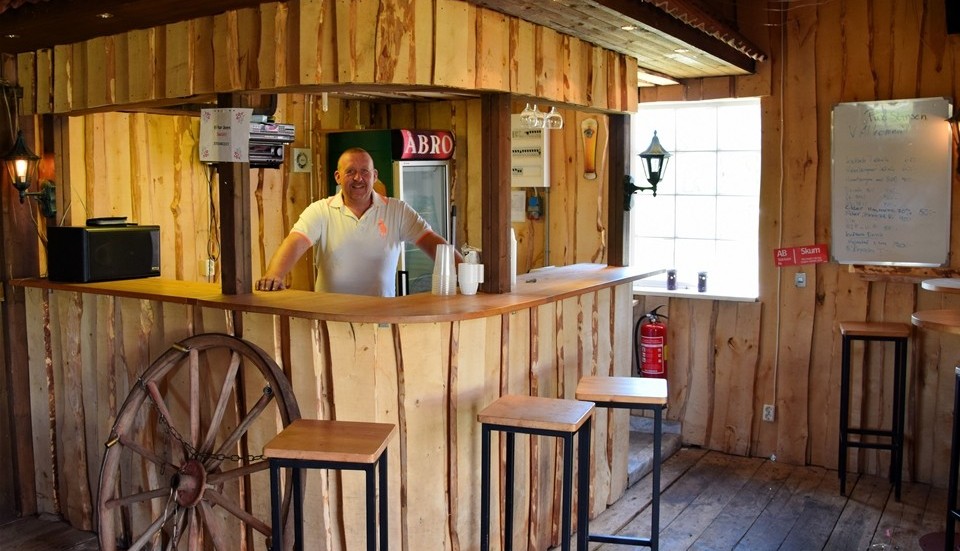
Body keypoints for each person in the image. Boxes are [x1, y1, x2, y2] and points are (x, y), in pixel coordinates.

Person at [255, 147, 458, 297]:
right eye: (350, 171)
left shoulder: (397, 210)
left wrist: (467, 273)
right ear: (338, 177)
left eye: (365, 171)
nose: (358, 178)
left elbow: (434, 243)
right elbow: (295, 242)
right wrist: (275, 275)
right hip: (331, 319)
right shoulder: (320, 210)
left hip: (381, 319)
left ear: (374, 176)